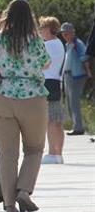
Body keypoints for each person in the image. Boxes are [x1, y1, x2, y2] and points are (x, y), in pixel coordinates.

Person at [0, 0, 50, 212]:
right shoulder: (35, 41)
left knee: (7, 153)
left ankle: (9, 203)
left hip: (2, 97)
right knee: (34, 149)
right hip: (32, 98)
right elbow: (46, 63)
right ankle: (24, 191)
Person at [38, 17, 67, 164]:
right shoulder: (59, 44)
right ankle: (58, 153)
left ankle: (51, 153)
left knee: (50, 120)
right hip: (56, 82)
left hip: (47, 82)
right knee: (57, 121)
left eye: (42, 27)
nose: (40, 30)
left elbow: (41, 64)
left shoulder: (48, 45)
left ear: (50, 29)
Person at [59, 22, 90, 136]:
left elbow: (85, 56)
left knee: (74, 102)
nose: (64, 35)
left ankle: (78, 128)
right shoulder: (68, 44)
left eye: (67, 33)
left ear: (72, 32)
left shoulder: (78, 43)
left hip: (76, 76)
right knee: (69, 103)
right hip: (68, 76)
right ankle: (75, 125)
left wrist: (87, 70)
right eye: (63, 33)